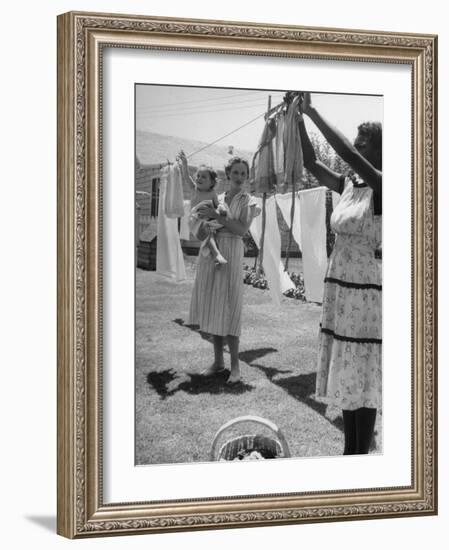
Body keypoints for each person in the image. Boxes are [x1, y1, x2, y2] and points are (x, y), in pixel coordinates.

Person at [298, 92, 382, 455]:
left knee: (361, 369)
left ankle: (359, 451)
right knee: (349, 370)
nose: (356, 148)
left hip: (364, 291)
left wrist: (312, 110)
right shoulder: (350, 187)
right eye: (358, 140)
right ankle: (353, 449)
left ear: (378, 153)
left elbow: (346, 153)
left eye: (364, 144)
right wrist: (297, 119)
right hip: (341, 288)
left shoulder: (384, 186)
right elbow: (311, 162)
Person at [188, 157, 261, 383]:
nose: (239, 177)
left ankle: (236, 368)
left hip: (232, 250)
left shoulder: (248, 200)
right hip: (212, 251)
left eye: (243, 173)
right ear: (228, 174)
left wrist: (217, 216)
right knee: (214, 306)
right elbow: (201, 231)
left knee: (230, 306)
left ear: (246, 177)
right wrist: (201, 223)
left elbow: (240, 229)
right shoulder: (215, 198)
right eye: (235, 172)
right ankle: (218, 362)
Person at [178, 150, 227, 266]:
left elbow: (217, 204)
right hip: (195, 220)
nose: (199, 178)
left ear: (211, 182)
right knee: (207, 232)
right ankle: (216, 254)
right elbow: (186, 176)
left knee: (214, 234)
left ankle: (214, 256)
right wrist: (185, 163)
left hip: (208, 221)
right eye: (198, 176)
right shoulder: (194, 188)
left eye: (203, 177)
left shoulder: (212, 193)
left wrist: (221, 208)